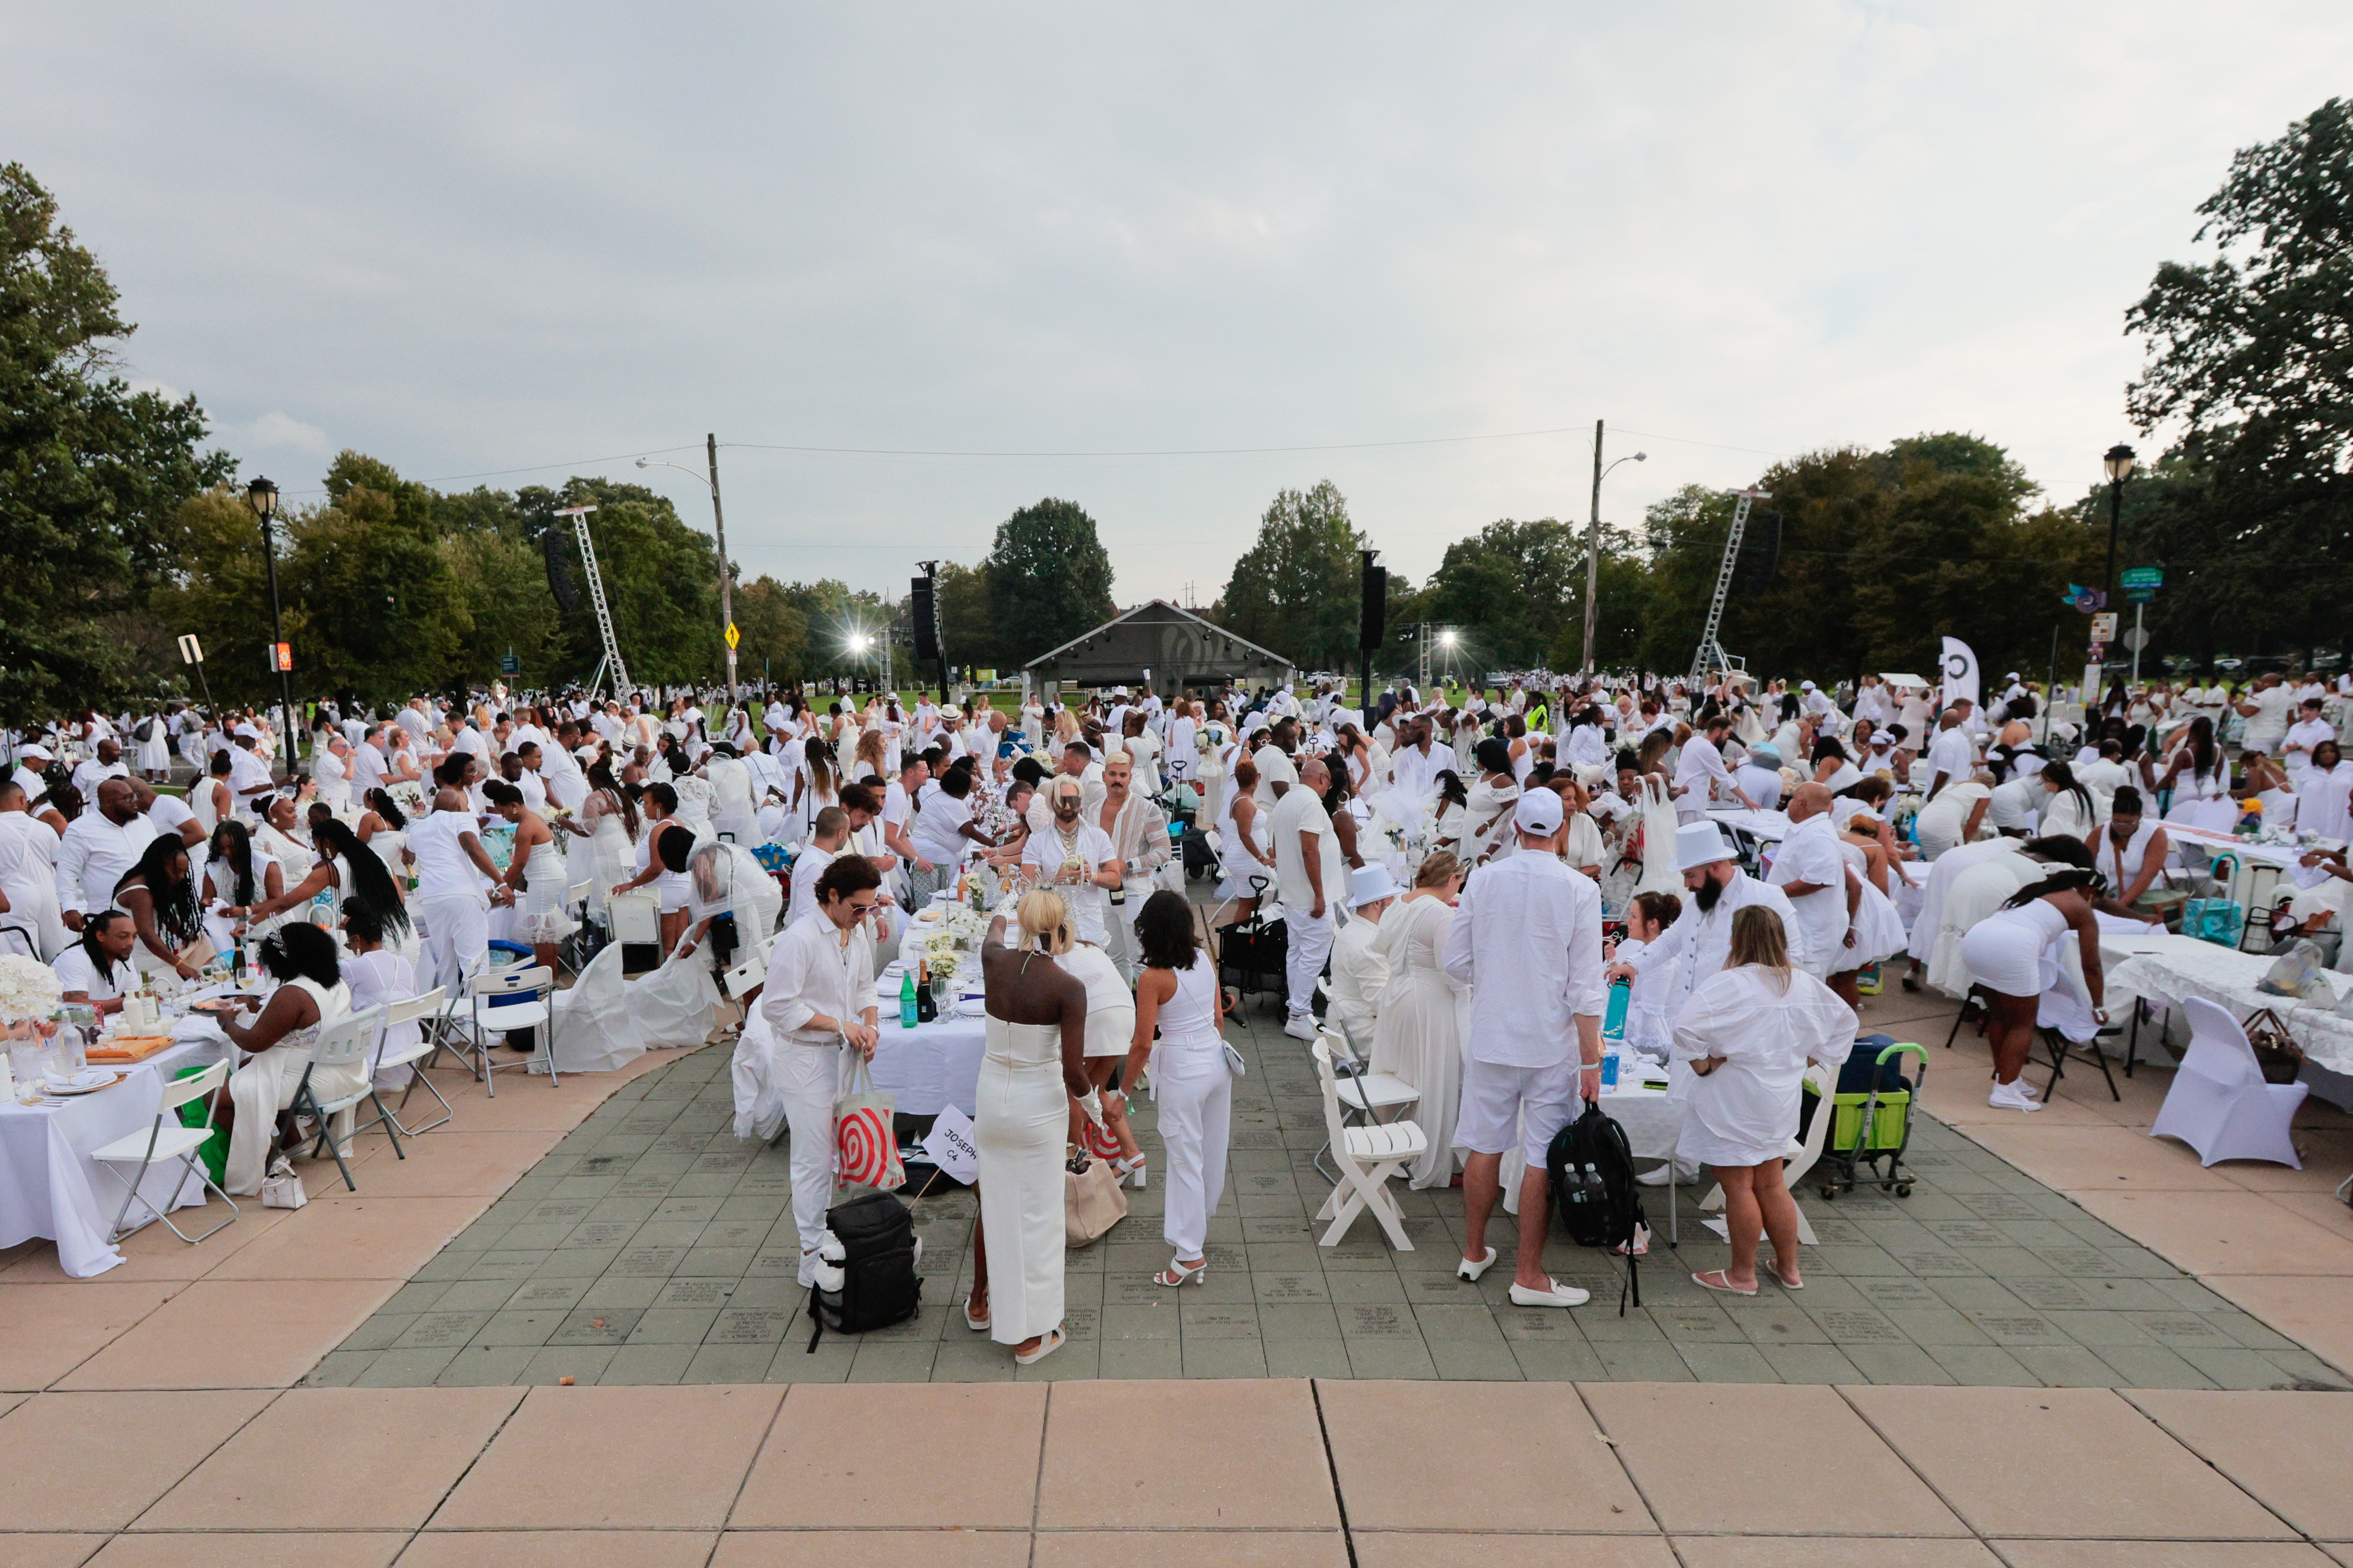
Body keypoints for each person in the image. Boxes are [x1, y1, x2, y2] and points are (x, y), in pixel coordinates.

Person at [1442, 790, 1604, 1307]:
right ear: (1560, 832)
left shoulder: (1484, 879)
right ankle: (1528, 1274)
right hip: (1548, 1043)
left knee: (1484, 1144)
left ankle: (1473, 1250)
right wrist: (1591, 1059)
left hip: (1492, 1033)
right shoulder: (1579, 887)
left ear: (1516, 829)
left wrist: (1490, 979)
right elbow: (1585, 985)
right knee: (1539, 1156)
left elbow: (1454, 963)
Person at [1676, 905, 1857, 1294]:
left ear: (1736, 938)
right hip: (1779, 1097)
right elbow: (1846, 1023)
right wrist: (1808, 1057)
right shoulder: (1805, 984)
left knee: (1738, 1183)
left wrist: (1704, 1064)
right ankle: (1788, 1267)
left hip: (1735, 1094)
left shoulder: (1728, 983)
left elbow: (1683, 1026)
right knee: (1772, 1181)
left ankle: (1742, 1274)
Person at [967, 889, 1089, 1365]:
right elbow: (1074, 1073)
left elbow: (992, 935)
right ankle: (1030, 1335)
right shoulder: (1068, 986)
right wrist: (1096, 1110)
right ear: (1060, 926)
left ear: (1023, 921)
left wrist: (1002, 904)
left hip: (991, 1099)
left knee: (996, 1208)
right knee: (1038, 1218)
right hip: (1037, 1108)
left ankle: (984, 1307)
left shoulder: (993, 960)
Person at [759, 854, 882, 1286]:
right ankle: (810, 1258)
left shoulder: (855, 931)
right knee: (812, 1161)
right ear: (833, 896)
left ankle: (833, 1240)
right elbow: (775, 1005)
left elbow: (866, 986)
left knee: (836, 1155)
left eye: (870, 906)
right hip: (805, 1060)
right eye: (858, 907)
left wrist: (869, 1026)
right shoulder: (800, 938)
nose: (865, 915)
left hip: (842, 1057)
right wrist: (839, 1025)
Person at [1115, 888, 1232, 1291]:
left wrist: (1123, 1093)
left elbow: (1142, 1043)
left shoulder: (1152, 978)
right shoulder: (1203, 958)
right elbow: (1218, 1016)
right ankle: (1197, 1222)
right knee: (1211, 1149)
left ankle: (1188, 1252)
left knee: (1185, 1157)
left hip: (1184, 1069)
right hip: (1216, 1063)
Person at [1610, 821, 1807, 1021]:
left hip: (1741, 1019)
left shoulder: (1767, 898)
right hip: (1692, 1014)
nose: (1687, 884)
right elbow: (1671, 940)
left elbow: (1792, 962)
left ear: (1714, 867)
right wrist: (1633, 964)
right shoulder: (1698, 899)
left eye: (1690, 876)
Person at [214, 923, 356, 1195]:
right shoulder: (324, 981)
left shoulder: (293, 993)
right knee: (246, 1068)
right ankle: (292, 1141)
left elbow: (254, 1042)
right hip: (334, 1070)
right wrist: (259, 1008)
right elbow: (294, 1024)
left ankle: (269, 1157)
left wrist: (227, 1023)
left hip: (309, 1083)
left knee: (214, 1099)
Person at [1960, 865, 2106, 1111]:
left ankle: (2008, 1077)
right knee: (2022, 1024)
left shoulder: (2035, 891)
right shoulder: (2080, 906)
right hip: (2013, 946)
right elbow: (2091, 965)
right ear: (2091, 890)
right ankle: (2004, 1092)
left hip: (1977, 940)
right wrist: (2099, 1005)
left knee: (1999, 1017)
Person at [1367, 851, 1467, 1189]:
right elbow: (1451, 969)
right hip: (1430, 1001)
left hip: (1397, 995)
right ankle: (1429, 1160)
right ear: (1452, 879)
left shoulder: (1399, 904)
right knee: (1430, 1078)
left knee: (1402, 1072)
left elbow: (1379, 944)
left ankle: (1396, 1147)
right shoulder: (1441, 914)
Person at [1056, 916, 1144, 1184]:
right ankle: (1133, 1156)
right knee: (1097, 1091)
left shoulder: (1054, 959)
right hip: (1125, 1012)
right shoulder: (1091, 947)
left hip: (1098, 1015)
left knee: (1074, 1092)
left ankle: (1072, 1167)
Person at [408, 783, 511, 998]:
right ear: (457, 807)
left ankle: (450, 1023)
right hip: (460, 892)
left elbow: (407, 855)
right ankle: (474, 1024)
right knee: (474, 962)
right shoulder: (462, 819)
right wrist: (501, 882)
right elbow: (471, 845)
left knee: (445, 963)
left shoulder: (417, 828)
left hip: (431, 897)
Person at [1766, 783, 1862, 1001]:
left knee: (1805, 997)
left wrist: (1774, 893)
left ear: (1802, 803)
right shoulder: (1808, 830)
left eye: (1792, 799)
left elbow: (1820, 879)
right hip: (1801, 929)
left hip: (1810, 935)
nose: (1788, 803)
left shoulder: (1818, 835)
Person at [1270, 756, 1341, 1041]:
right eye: (1328, 785)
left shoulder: (1286, 800)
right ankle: (1299, 1013)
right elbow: (1310, 850)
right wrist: (1320, 894)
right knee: (1313, 954)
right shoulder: (1311, 803)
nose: (1328, 790)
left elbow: (1276, 845)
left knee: (1298, 952)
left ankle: (1296, 1010)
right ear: (1323, 779)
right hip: (1310, 897)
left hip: (1293, 893)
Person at [488, 780, 575, 974]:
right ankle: (552, 977)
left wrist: (502, 887)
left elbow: (519, 864)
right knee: (547, 932)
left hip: (544, 880)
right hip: (550, 877)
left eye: (503, 811)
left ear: (514, 806)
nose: (503, 817)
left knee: (541, 933)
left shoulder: (525, 827)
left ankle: (545, 980)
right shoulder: (533, 819)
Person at [55, 777, 159, 935]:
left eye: (134, 796)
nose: (134, 801)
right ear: (107, 802)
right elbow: (67, 871)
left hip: (152, 909)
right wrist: (70, 909)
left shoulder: (144, 822)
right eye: (127, 798)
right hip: (108, 915)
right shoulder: (80, 830)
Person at [1021, 776, 1119, 943]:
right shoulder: (1037, 840)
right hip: (1052, 928)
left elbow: (1115, 879)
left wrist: (1093, 876)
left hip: (1090, 928)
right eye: (1061, 801)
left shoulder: (1097, 836)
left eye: (1073, 801)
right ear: (1052, 803)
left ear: (1080, 803)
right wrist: (1056, 880)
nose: (1067, 807)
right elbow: (1025, 889)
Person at [341, 902, 422, 1091]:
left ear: (357, 940)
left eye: (349, 944)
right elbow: (416, 1002)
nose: (351, 948)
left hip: (380, 1047)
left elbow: (336, 998)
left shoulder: (354, 967)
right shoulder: (402, 962)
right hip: (410, 1039)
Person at [1323, 863, 1399, 1051]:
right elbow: (1382, 1004)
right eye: (1392, 901)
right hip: (1362, 1033)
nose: (1396, 907)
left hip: (1344, 1022)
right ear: (1377, 903)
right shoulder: (1368, 946)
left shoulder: (1352, 928)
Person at [114, 834, 207, 981]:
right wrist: (180, 965)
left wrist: (186, 935)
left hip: (152, 958)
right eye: (177, 871)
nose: (182, 877)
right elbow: (147, 934)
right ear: (162, 864)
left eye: (185, 871)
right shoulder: (140, 891)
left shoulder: (151, 885)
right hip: (139, 964)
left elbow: (164, 916)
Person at [2088, 787, 2171, 924]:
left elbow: (2146, 876)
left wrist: (2120, 907)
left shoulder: (2155, 834)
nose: (2122, 827)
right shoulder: (2100, 832)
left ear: (2140, 817)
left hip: (2142, 899)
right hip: (2105, 898)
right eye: (2117, 822)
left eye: (2128, 823)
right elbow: (2085, 867)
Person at [1212, 756, 1273, 920]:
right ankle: (1239, 939)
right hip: (1246, 859)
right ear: (1255, 779)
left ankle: (1245, 936)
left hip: (1249, 857)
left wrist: (1268, 850)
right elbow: (1244, 834)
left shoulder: (1246, 799)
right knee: (1248, 903)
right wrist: (1262, 858)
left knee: (1255, 900)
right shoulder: (1244, 802)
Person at [53, 908, 137, 1018]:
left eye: (134, 936)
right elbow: (76, 1008)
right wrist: (130, 1002)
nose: (131, 942)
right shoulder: (74, 959)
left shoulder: (123, 956)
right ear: (101, 936)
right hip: (67, 1031)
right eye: (123, 936)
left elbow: (136, 994)